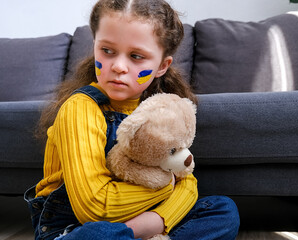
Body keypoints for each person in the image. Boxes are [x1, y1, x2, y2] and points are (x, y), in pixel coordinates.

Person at [24, 0, 240, 239]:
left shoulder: (161, 110)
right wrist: (163, 196)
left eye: (136, 56)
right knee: (99, 234)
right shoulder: (79, 108)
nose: (118, 66)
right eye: (107, 51)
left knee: (223, 210)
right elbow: (94, 207)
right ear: (94, 45)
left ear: (161, 66)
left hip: (144, 217)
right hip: (74, 227)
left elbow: (187, 181)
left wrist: (159, 219)